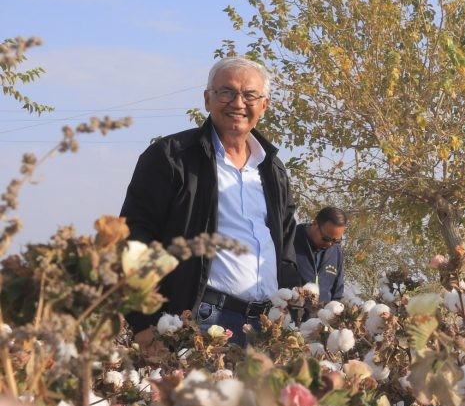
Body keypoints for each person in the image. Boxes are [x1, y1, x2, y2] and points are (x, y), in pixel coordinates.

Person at [120, 56, 300, 340]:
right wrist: (145, 324)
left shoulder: (272, 168)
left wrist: (294, 312)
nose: (238, 103)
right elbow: (135, 237)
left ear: (264, 105)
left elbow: (287, 246)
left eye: (249, 94)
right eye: (226, 92)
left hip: (266, 326)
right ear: (207, 99)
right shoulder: (172, 157)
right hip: (199, 321)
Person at [294, 206, 347, 303]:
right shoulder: (290, 241)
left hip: (322, 316)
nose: (330, 244)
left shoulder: (336, 251)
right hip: (288, 315)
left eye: (337, 240)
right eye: (326, 238)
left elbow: (337, 293)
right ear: (315, 224)